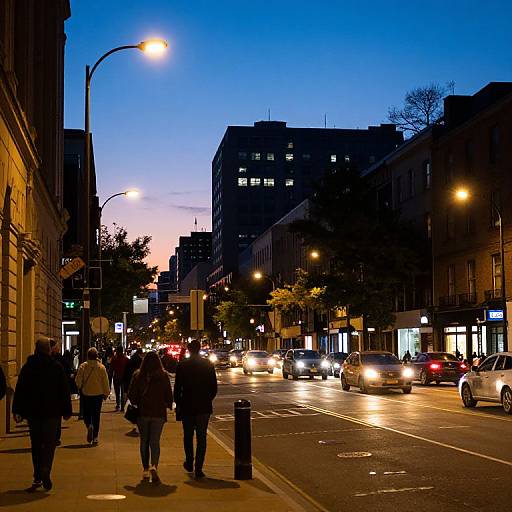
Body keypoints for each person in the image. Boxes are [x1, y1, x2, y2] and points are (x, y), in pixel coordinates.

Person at [12, 338, 72, 492]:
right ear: (48, 350)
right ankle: (46, 469)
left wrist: (17, 410)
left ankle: (38, 474)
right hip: (52, 412)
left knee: (36, 444)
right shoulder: (56, 367)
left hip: (34, 412)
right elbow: (63, 390)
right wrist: (66, 410)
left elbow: (20, 389)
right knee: (50, 443)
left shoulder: (28, 367)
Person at [174, 339, 217, 479]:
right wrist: (206, 398)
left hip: (187, 405)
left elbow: (177, 387)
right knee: (201, 437)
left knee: (188, 436)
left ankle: (189, 461)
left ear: (188, 349)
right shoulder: (208, 364)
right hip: (203, 406)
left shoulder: (182, 365)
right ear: (199, 349)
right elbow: (213, 388)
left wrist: (178, 403)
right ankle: (199, 467)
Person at [128, 351, 173, 483]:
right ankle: (154, 466)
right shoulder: (163, 375)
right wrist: (168, 404)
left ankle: (145, 469)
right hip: (158, 412)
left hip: (143, 412)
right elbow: (168, 394)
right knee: (155, 441)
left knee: (144, 441)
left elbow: (131, 395)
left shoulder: (138, 375)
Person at [75, 347, 110, 445]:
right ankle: (95, 437)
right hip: (98, 395)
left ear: (88, 356)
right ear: (97, 356)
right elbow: (105, 382)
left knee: (87, 413)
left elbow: (78, 381)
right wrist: (106, 393)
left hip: (86, 394)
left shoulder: (83, 366)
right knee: (96, 415)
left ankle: (89, 425)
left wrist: (80, 386)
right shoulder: (101, 367)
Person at [49, 339, 72, 447]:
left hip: (42, 402)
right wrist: (67, 410)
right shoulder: (59, 363)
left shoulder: (31, 364)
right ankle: (55, 437)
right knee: (55, 419)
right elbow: (64, 387)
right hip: (55, 398)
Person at [110, 346, 129, 411]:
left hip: (116, 377)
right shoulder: (126, 359)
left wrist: (110, 375)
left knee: (117, 392)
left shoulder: (114, 359)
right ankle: (122, 406)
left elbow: (111, 369)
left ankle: (118, 404)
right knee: (123, 392)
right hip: (123, 377)